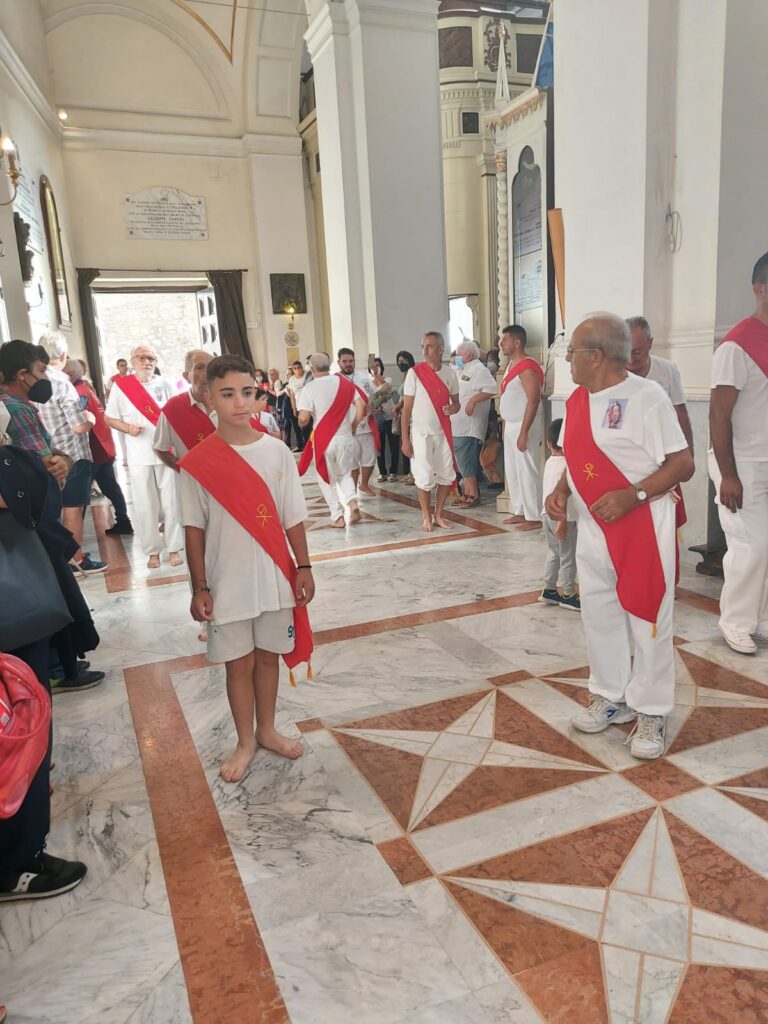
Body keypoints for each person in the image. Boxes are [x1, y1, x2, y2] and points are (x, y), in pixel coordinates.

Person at [546, 313, 694, 760]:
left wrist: (633, 495)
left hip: (643, 524)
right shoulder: (576, 400)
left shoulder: (646, 397)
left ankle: (651, 709)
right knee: (600, 613)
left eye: (570, 352)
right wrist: (560, 489)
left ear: (595, 356)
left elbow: (682, 463)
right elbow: (576, 456)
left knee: (647, 616)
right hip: (595, 526)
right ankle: (611, 695)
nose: (566, 359)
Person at [179, 355, 315, 782]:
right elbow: (194, 531)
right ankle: (245, 741)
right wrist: (199, 586)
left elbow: (293, 515)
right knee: (237, 664)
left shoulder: (276, 452)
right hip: (226, 580)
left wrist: (304, 566)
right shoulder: (197, 463)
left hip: (275, 574)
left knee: (268, 659)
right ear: (208, 398)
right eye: (227, 394)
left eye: (247, 392)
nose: (239, 402)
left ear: (258, 396)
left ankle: (268, 729)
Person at [708, 252, 768, 655]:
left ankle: (759, 619)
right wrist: (728, 474)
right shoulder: (737, 344)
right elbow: (718, 414)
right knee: (751, 543)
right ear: (760, 288)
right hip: (742, 463)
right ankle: (735, 621)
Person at [104, 344, 183, 569]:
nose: (146, 362)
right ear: (133, 361)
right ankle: (152, 551)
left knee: (171, 503)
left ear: (156, 362)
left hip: (166, 453)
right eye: (141, 358)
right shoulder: (122, 387)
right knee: (145, 504)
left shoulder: (165, 384)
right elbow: (110, 418)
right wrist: (128, 428)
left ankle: (174, 547)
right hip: (139, 455)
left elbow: (175, 415)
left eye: (151, 358)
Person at [34, 332, 107, 575]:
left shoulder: (35, 379)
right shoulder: (62, 382)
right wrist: (91, 419)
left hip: (45, 454)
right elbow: (77, 426)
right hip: (71, 456)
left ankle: (58, 557)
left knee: (53, 509)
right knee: (73, 508)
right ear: (64, 355)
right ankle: (75, 559)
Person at [64, 359, 132, 536]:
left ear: (69, 375)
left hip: (94, 448)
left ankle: (74, 535)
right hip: (103, 446)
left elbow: (81, 421)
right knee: (110, 487)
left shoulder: (77, 392)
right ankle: (124, 520)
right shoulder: (86, 389)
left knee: (79, 496)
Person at [297, 353, 365, 528]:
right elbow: (361, 405)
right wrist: (354, 424)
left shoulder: (309, 388)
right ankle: (352, 503)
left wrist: (301, 420)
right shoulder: (345, 384)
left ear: (312, 369)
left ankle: (337, 517)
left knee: (324, 477)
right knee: (344, 474)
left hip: (324, 440)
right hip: (345, 437)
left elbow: (304, 419)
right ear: (330, 366)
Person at [400, 332, 460, 532]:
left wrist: (454, 408)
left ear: (441, 349)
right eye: (423, 346)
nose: (425, 351)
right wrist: (405, 440)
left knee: (446, 475)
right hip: (420, 434)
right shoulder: (414, 373)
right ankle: (426, 516)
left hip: (443, 433)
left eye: (430, 346)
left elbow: (457, 403)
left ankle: (439, 514)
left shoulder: (450, 374)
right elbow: (406, 410)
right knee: (424, 476)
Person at [0, 340, 71, 490]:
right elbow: (48, 470)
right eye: (42, 371)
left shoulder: (12, 403)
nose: (45, 378)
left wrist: (65, 460)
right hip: (30, 507)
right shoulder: (16, 409)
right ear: (23, 374)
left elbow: (47, 450)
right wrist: (62, 465)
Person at [498, 325, 544, 531]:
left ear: (517, 343)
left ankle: (534, 516)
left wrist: (524, 432)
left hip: (525, 425)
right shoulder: (510, 366)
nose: (501, 343)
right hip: (511, 424)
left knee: (527, 469)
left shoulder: (527, 366)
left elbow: (533, 400)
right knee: (514, 470)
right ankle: (520, 510)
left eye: (505, 340)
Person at [626, 316, 694, 451]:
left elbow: (681, 414)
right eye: (625, 351)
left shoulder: (667, 370)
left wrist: (689, 454)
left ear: (650, 343)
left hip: (661, 449)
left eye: (637, 352)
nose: (631, 359)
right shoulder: (612, 373)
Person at [450, 340, 497, 507]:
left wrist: (473, 401)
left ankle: (474, 494)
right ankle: (468, 492)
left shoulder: (478, 369)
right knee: (461, 459)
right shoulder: (462, 368)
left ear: (469, 354)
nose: (456, 357)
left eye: (459, 354)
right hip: (458, 422)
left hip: (469, 423)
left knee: (466, 457)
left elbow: (491, 389)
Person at [539, 418, 579, 611]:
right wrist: (563, 520)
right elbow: (561, 496)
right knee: (568, 556)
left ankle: (549, 589)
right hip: (563, 518)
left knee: (554, 552)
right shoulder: (567, 465)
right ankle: (569, 593)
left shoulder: (549, 462)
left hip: (546, 516)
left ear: (548, 444)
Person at [153, 350, 215, 472]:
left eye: (212, 367)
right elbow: (160, 448)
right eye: (200, 367)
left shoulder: (229, 403)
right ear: (187, 376)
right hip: (191, 486)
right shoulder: (174, 408)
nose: (208, 372)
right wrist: (183, 470)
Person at [337, 347, 377, 496]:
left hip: (366, 425)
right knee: (351, 462)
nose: (348, 364)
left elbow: (374, 394)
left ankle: (364, 484)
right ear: (338, 362)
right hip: (347, 427)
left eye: (351, 361)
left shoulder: (363, 376)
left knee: (369, 458)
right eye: (345, 361)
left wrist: (374, 406)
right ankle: (351, 490)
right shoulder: (335, 379)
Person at [371, 358, 400, 482]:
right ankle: (382, 472)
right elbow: (370, 400)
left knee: (394, 445)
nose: (376, 367)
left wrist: (377, 375)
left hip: (389, 416)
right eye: (374, 366)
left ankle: (393, 472)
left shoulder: (387, 379)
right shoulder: (369, 382)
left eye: (378, 365)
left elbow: (386, 389)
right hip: (377, 418)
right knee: (379, 446)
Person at [393, 350, 416, 483]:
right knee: (406, 442)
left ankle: (414, 474)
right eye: (399, 361)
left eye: (404, 361)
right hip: (403, 412)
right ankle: (410, 472)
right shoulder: (404, 375)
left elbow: (409, 397)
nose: (401, 363)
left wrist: (400, 405)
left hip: (410, 413)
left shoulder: (412, 374)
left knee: (410, 442)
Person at [287, 359, 310, 451]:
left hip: (309, 405)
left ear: (302, 368)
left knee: (311, 427)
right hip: (300, 407)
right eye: (295, 368)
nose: (298, 370)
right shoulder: (292, 379)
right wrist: (293, 408)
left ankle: (313, 446)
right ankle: (306, 447)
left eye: (299, 368)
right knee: (303, 428)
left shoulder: (307, 376)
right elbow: (292, 395)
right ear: (293, 370)